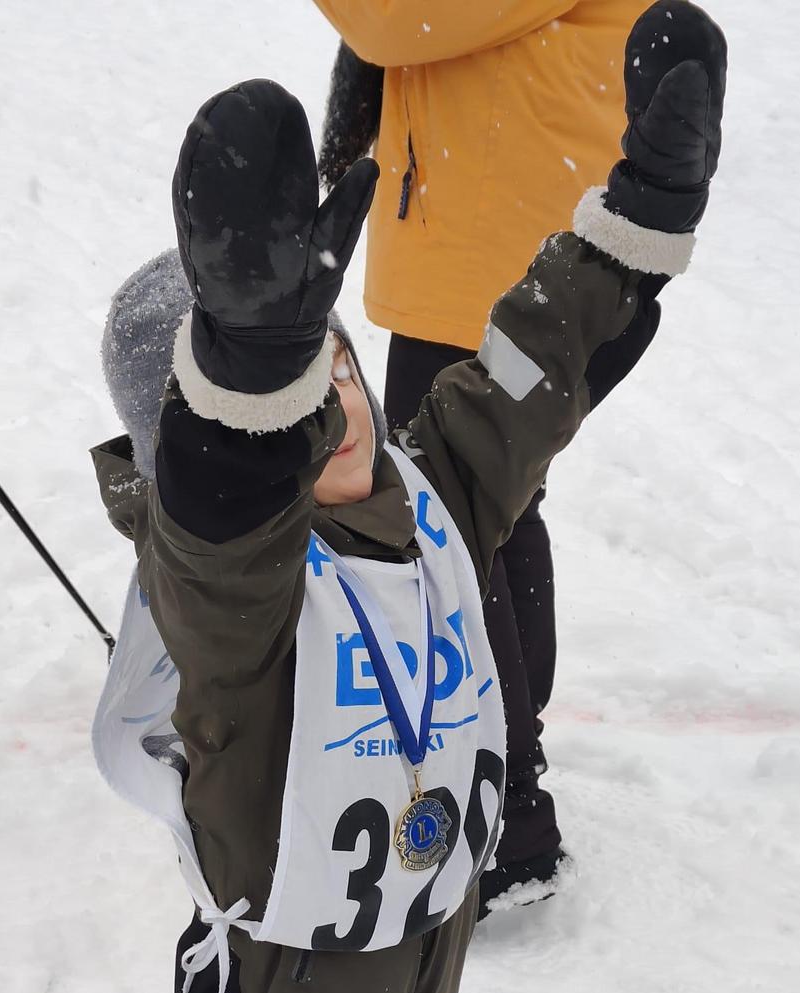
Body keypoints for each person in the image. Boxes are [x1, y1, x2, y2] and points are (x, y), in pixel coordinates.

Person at [88, 6, 726, 993]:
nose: (336, 403)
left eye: (337, 366)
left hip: (419, 951)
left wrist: (638, 220)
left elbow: (533, 365)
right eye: (287, 391)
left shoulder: (431, 487)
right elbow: (219, 523)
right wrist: (248, 375)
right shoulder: (231, 597)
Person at [313, 0, 649, 913]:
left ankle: (504, 813)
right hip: (495, 216)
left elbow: (396, 20)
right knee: (492, 504)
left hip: (493, 231)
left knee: (447, 514)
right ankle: (507, 771)